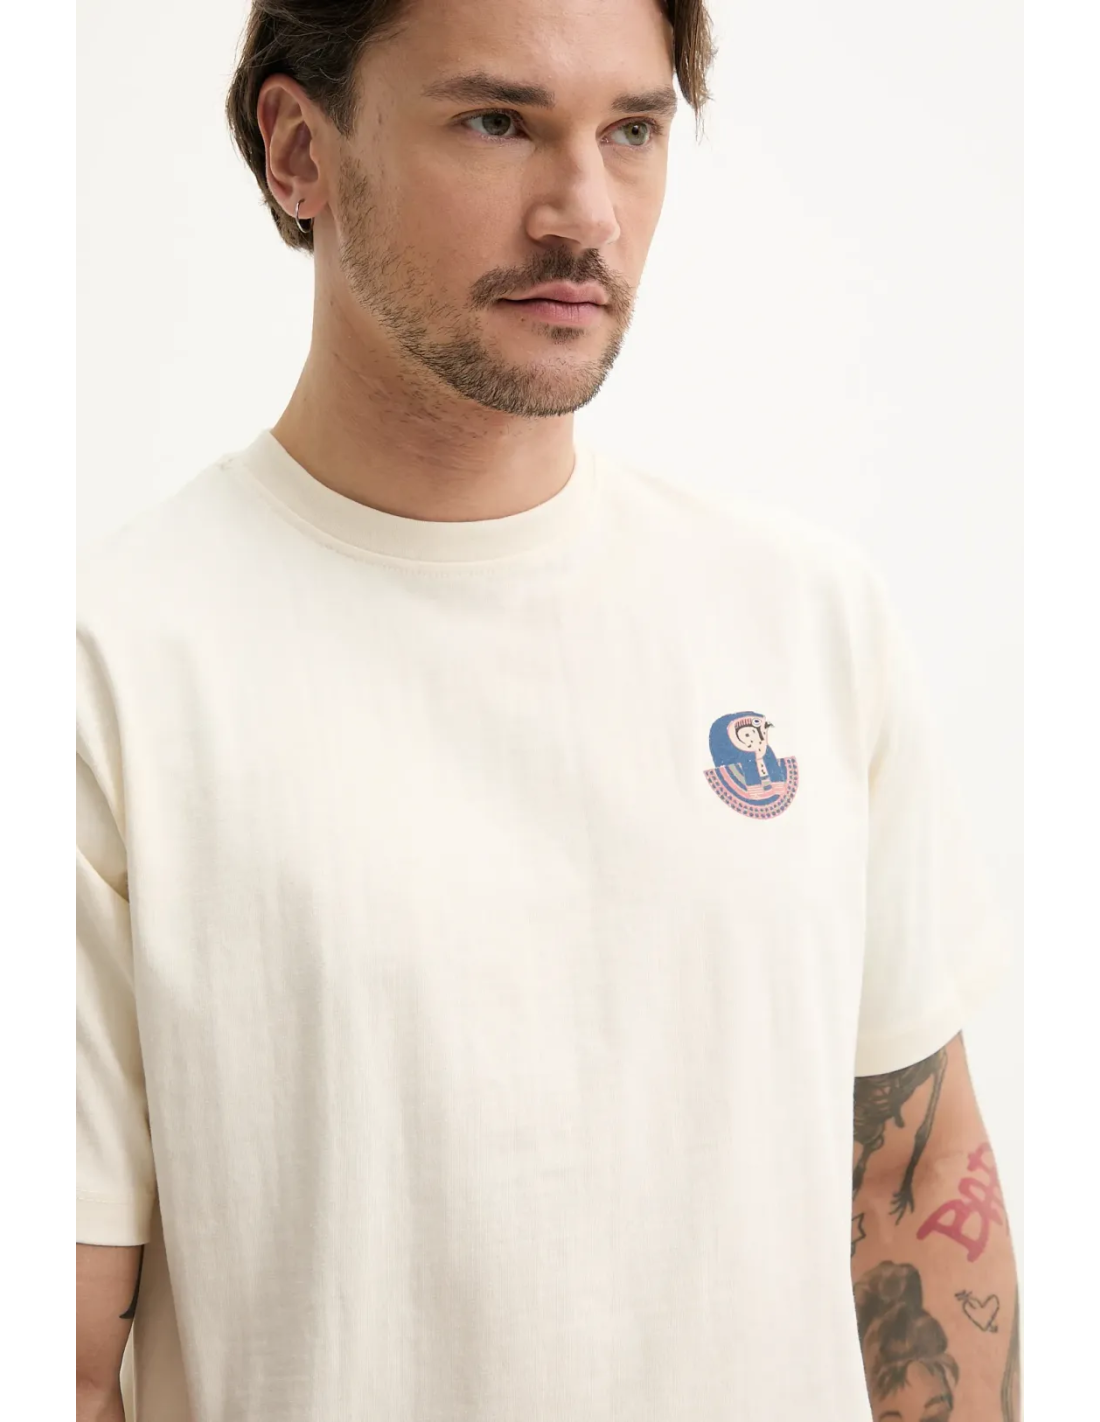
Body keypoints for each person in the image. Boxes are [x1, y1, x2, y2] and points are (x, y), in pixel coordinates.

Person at [75, 1, 1021, 1419]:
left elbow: (912, 1191)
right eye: (497, 121)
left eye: (631, 130)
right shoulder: (106, 674)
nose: (586, 214)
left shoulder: (807, 619)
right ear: (298, 150)